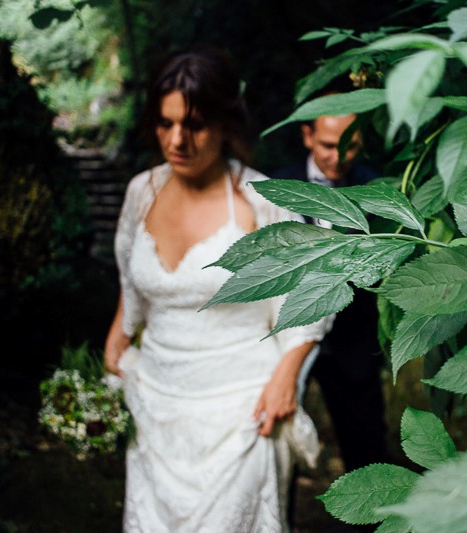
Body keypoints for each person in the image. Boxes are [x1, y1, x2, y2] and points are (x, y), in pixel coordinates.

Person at [103, 47, 328, 532]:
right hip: (155, 408)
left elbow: (311, 298)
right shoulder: (141, 192)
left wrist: (285, 377)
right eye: (165, 124)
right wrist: (119, 334)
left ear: (227, 124)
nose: (177, 140)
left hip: (241, 413)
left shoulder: (262, 201)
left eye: (195, 125)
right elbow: (131, 274)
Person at [270, 108, 389, 474]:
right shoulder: (276, 186)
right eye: (327, 145)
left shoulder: (376, 190)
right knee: (276, 436)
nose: (338, 157)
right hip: (288, 337)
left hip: (353, 339)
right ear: (307, 136)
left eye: (350, 146)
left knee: (366, 443)